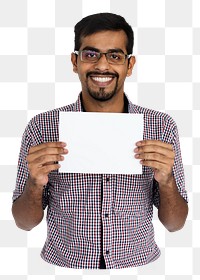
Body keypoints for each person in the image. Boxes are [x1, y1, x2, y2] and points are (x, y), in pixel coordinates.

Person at [12, 12, 188, 269]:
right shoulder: (42, 126)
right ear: (75, 62)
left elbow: (175, 225)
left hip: (139, 267)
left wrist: (167, 181)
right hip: (63, 267)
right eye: (90, 54)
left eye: (115, 56)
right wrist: (35, 184)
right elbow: (23, 223)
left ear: (130, 65)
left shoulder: (161, 127)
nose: (102, 66)